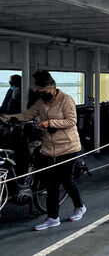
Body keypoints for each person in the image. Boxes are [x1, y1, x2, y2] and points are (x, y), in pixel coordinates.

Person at [3, 71, 86, 231]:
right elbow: (28, 115)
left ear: (53, 88)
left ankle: (80, 206)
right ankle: (53, 218)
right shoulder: (40, 102)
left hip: (68, 147)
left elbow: (72, 121)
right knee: (51, 183)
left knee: (67, 180)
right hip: (49, 148)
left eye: (43, 91)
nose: (41, 94)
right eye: (39, 91)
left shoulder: (66, 100)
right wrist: (10, 117)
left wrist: (50, 123)